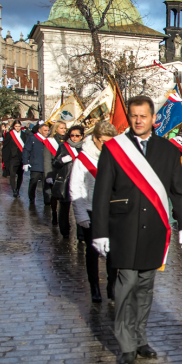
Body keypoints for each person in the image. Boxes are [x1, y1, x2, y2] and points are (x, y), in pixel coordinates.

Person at [91, 96, 182, 364]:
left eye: (143, 116)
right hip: (122, 228)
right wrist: (99, 232)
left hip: (155, 230)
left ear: (153, 119)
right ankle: (125, 344)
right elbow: (101, 194)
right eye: (134, 116)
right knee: (126, 285)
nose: (138, 121)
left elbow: (179, 192)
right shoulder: (114, 148)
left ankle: (139, 338)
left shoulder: (168, 151)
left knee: (146, 286)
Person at [71, 120, 117, 304]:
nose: (108, 145)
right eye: (105, 141)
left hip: (112, 210)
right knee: (93, 251)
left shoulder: (115, 155)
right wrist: (81, 215)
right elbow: (76, 188)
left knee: (113, 252)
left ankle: (111, 287)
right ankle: (94, 287)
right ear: (96, 139)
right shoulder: (83, 159)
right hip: (91, 210)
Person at [51, 125, 85, 237]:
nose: (74, 138)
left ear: (82, 136)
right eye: (72, 135)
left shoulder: (85, 147)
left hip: (81, 181)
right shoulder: (63, 146)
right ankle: (64, 231)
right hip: (66, 180)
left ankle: (81, 234)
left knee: (80, 207)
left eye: (77, 135)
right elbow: (55, 163)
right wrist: (62, 160)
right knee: (65, 207)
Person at [22, 121, 56, 208]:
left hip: (46, 165)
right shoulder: (32, 138)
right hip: (36, 165)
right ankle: (32, 198)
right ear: (39, 130)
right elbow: (26, 150)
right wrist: (25, 162)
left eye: (48, 130)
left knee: (47, 184)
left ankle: (47, 200)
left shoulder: (50, 139)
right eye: (45, 130)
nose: (47, 132)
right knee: (33, 182)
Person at [2, 120, 26, 197]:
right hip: (13, 157)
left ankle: (18, 189)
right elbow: (5, 146)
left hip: (21, 157)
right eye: (16, 126)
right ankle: (14, 191)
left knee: (20, 175)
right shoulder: (10, 134)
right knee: (12, 174)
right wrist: (5, 158)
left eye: (19, 126)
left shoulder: (24, 135)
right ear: (13, 127)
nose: (17, 128)